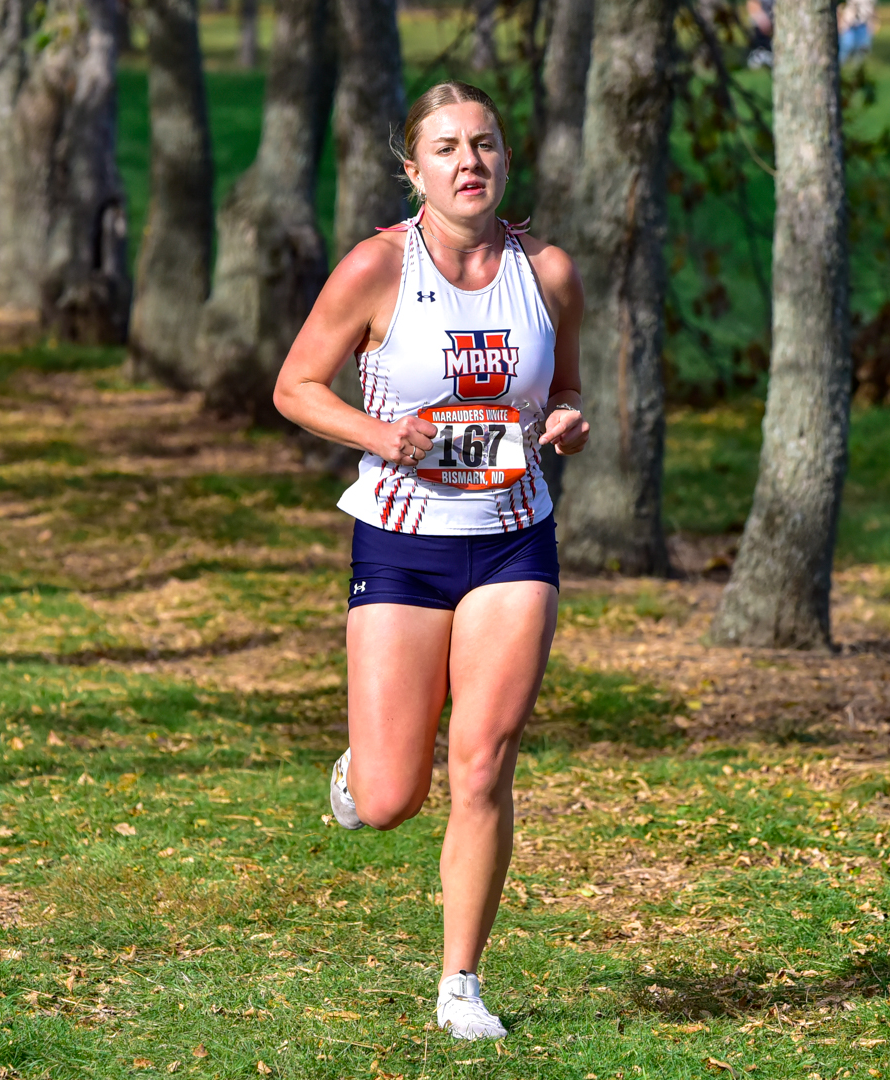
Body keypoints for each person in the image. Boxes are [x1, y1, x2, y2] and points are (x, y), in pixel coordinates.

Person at [271, 81, 589, 1040]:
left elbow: (565, 392)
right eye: (446, 148)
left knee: (484, 763)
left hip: (514, 540)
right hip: (402, 545)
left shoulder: (549, 272)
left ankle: (461, 986)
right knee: (391, 797)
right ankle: (363, 772)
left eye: (483, 144)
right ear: (414, 170)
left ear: (504, 159)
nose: (469, 163)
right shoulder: (377, 267)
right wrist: (382, 433)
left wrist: (568, 421)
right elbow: (295, 386)